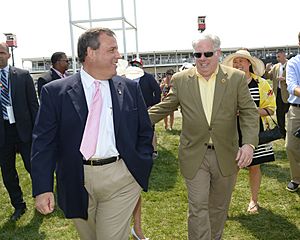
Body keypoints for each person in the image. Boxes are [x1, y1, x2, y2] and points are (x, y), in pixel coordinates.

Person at [31, 27, 153, 240]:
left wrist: (140, 163)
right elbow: (44, 144)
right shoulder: (55, 93)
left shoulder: (130, 88)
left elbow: (144, 131)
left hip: (121, 178)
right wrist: (42, 188)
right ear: (91, 53)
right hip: (76, 178)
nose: (119, 56)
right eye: (112, 50)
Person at [148, 33, 259, 240]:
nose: (202, 58)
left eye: (207, 53)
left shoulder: (235, 78)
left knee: (218, 208)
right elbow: (164, 108)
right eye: (197, 54)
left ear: (218, 53)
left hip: (226, 155)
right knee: (198, 207)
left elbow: (249, 112)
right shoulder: (181, 80)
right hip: (194, 155)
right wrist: (129, 122)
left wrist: (249, 144)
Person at [223, 49, 276, 213]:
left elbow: (270, 109)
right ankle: (223, 204)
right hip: (231, 132)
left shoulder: (261, 83)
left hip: (255, 131)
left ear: (249, 64)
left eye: (242, 61)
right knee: (231, 169)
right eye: (236, 61)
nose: (238, 64)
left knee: (254, 166)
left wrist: (248, 111)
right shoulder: (226, 83)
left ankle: (254, 201)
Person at [0, 42, 39, 221]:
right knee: (8, 172)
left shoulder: (22, 76)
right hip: (3, 133)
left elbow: (33, 105)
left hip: (24, 130)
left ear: (8, 55)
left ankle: (42, 199)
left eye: (1, 52)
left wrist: (38, 131)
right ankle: (19, 205)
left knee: (33, 167)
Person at [129, 57, 161, 158]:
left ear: (141, 66)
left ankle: (154, 150)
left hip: (147, 108)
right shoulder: (127, 78)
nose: (135, 67)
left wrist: (153, 105)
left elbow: (157, 91)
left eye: (137, 65)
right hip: (132, 109)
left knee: (150, 129)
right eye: (133, 64)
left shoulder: (148, 77)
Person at [285, 32, 300, 192]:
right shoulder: (294, 62)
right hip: (297, 110)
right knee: (291, 146)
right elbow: (291, 85)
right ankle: (296, 178)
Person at [264, 49, 290, 137]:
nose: (277, 58)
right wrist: (267, 70)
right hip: (278, 93)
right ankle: (282, 132)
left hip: (289, 94)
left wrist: (285, 79)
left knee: (290, 114)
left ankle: (292, 131)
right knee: (279, 114)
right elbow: (268, 77)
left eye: (279, 56)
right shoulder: (276, 66)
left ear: (284, 55)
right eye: (277, 57)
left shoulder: (291, 64)